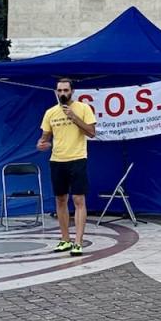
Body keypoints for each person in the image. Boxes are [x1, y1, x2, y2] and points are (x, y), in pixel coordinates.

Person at [37, 78, 97, 256]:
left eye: (66, 90)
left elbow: (92, 133)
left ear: (72, 91)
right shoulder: (50, 112)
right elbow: (45, 137)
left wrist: (74, 117)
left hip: (77, 158)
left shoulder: (83, 108)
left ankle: (78, 242)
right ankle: (65, 239)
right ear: (56, 92)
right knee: (60, 200)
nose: (63, 93)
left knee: (78, 200)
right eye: (60, 90)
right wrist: (41, 144)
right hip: (57, 160)